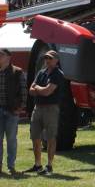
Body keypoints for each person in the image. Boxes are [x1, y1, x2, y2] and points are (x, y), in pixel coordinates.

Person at [27, 50, 65, 176]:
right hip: (37, 108)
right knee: (35, 137)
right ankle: (38, 165)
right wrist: (39, 89)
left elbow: (47, 92)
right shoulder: (41, 72)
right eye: (46, 58)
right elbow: (30, 90)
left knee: (50, 138)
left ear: (56, 60)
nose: (47, 60)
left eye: (50, 58)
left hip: (51, 109)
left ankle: (49, 166)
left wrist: (37, 88)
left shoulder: (58, 74)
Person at [0, 48, 26, 176]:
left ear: (9, 57)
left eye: (1, 55)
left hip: (12, 111)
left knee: (11, 140)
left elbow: (24, 91)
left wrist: (20, 108)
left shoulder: (17, 71)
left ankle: (11, 166)